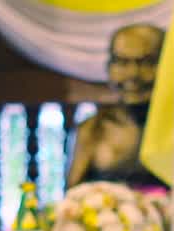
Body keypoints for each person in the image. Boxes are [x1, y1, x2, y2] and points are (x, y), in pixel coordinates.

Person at [65, 24, 167, 189]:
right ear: (109, 68)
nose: (133, 74)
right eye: (122, 62)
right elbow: (73, 201)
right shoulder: (93, 129)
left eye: (146, 62)